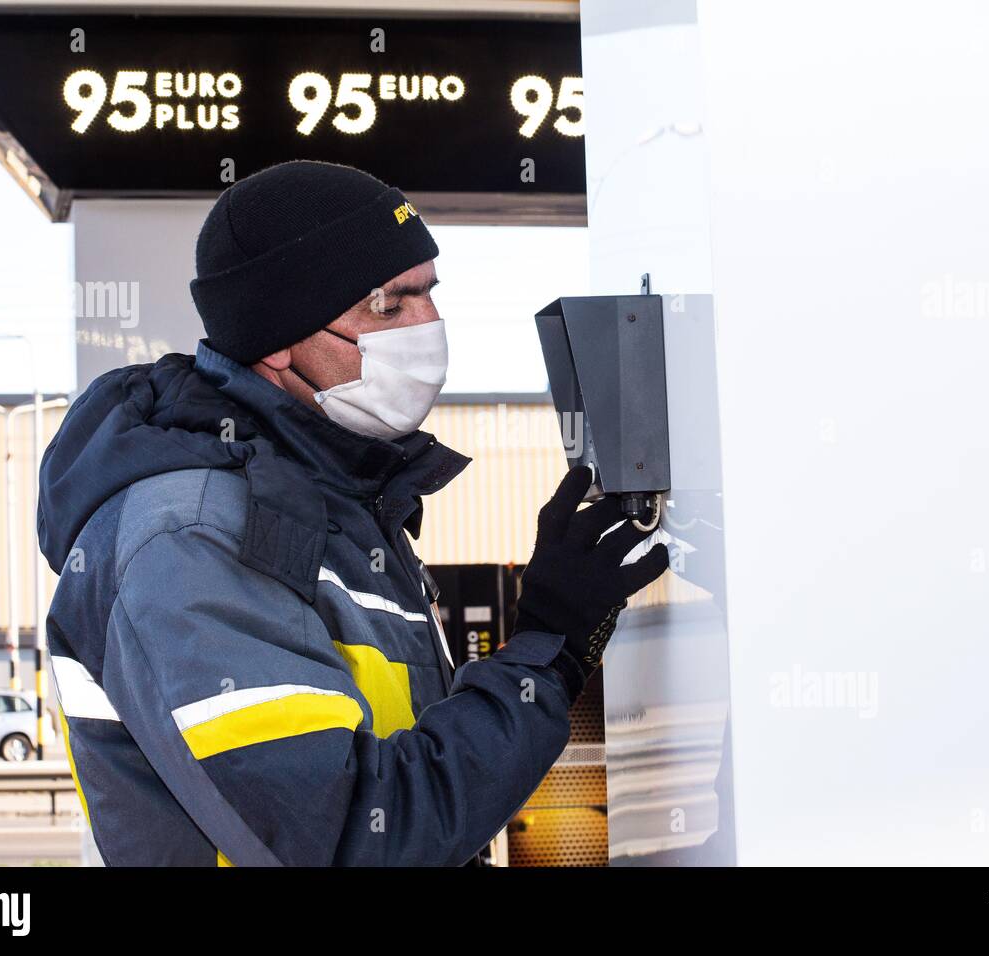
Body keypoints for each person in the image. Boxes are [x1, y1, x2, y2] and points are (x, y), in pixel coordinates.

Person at [37, 160, 667, 866]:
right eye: (387, 307)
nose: (427, 328)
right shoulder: (192, 536)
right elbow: (350, 836)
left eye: (429, 295)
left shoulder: (330, 503)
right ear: (275, 340)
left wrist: (548, 643)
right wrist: (545, 650)